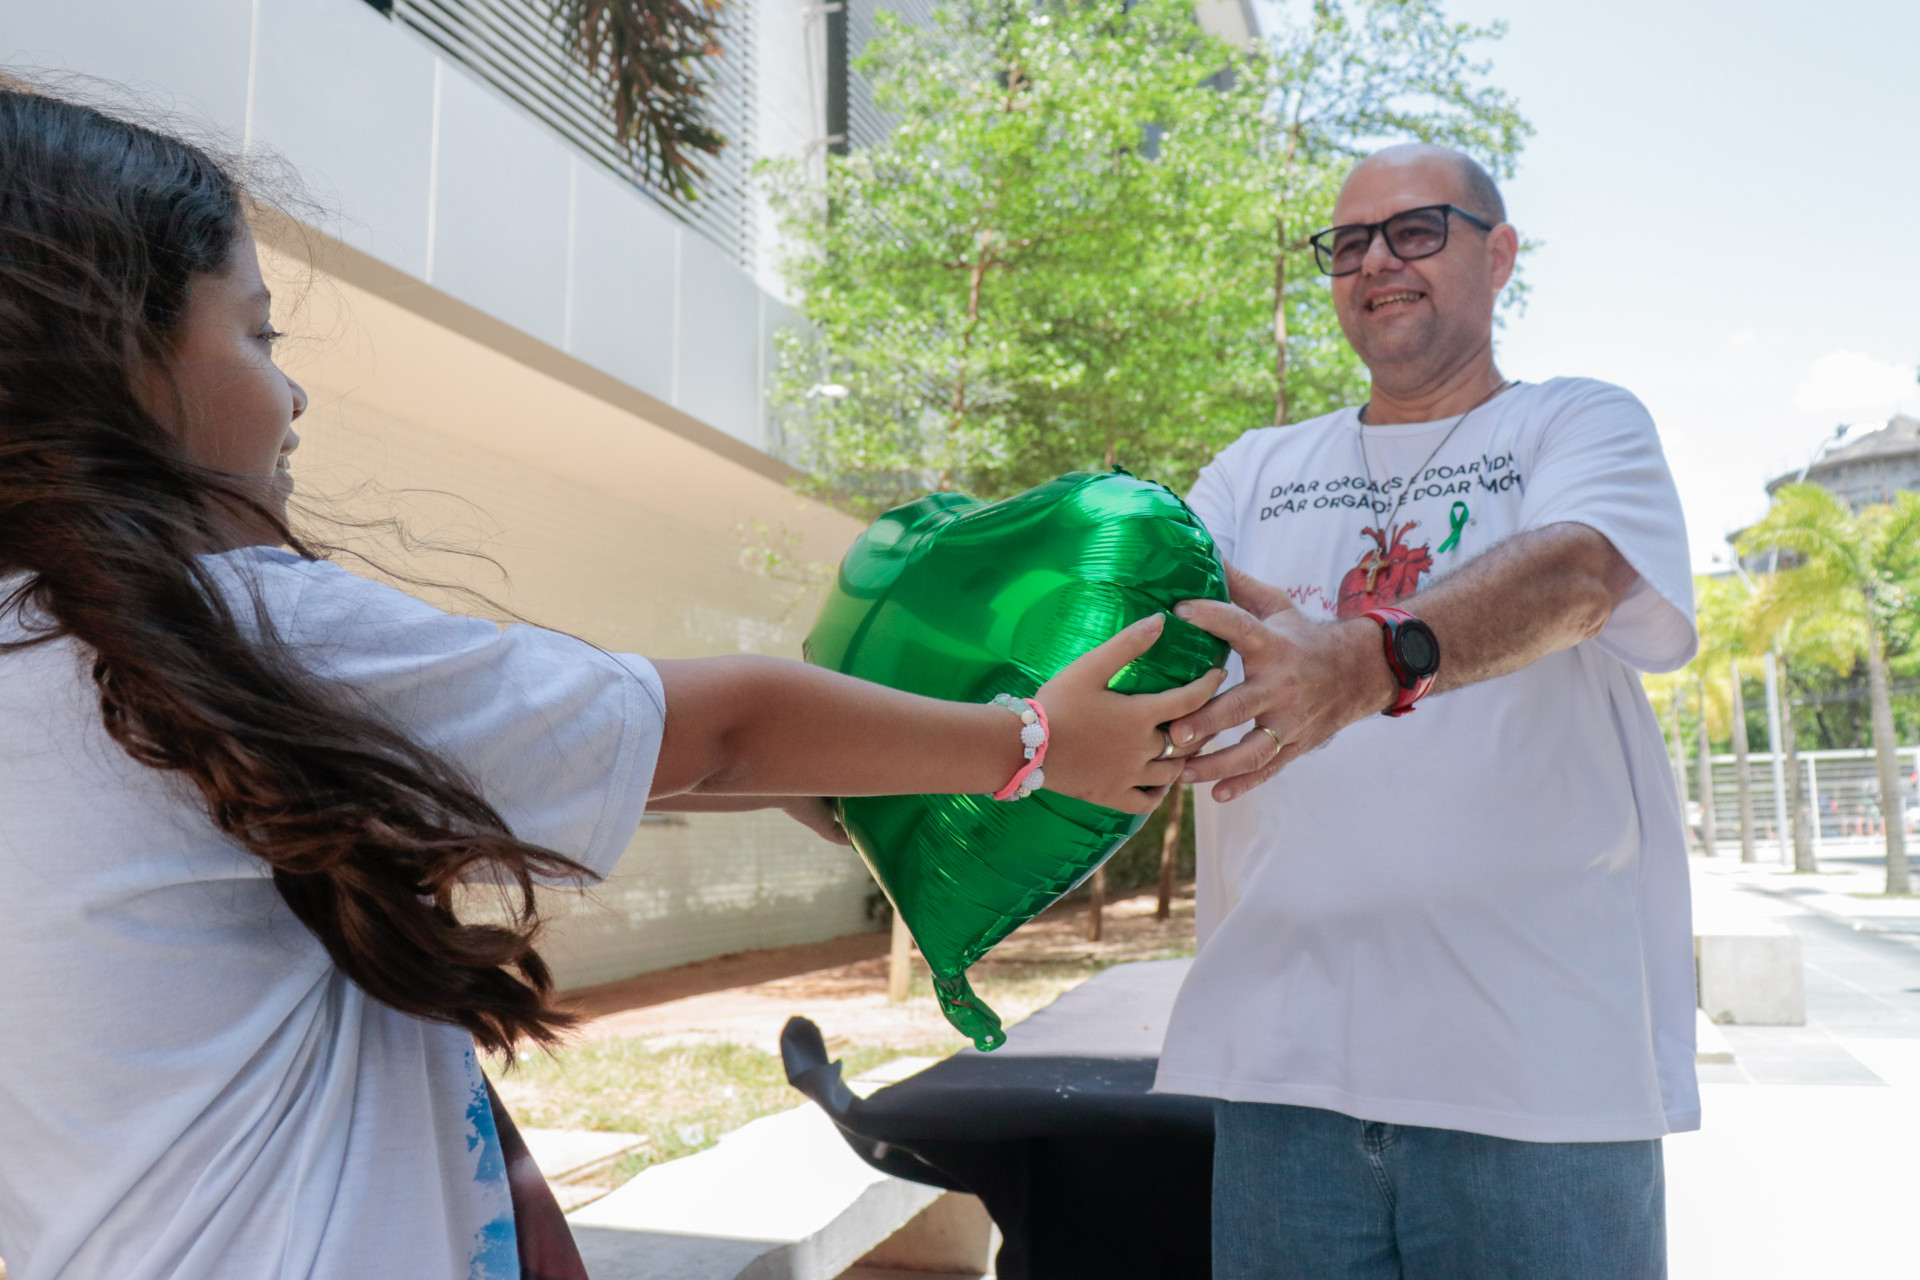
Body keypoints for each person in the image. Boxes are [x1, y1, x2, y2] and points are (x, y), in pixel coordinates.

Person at [0, 88, 1224, 1280]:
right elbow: (729, 724)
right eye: (259, 335)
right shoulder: (245, 631)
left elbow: (566, 756)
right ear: (118, 360)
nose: (294, 389)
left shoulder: (54, 657)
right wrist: (1029, 741)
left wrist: (797, 774)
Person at [1155, 143, 1697, 1278]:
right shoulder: (1251, 469)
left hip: (1540, 1082)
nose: (1376, 261)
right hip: (1281, 1076)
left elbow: (1578, 578)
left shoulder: (1575, 423)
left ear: (1499, 257)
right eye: (1349, 243)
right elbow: (1151, 632)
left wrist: (1367, 662)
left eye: (1415, 231)